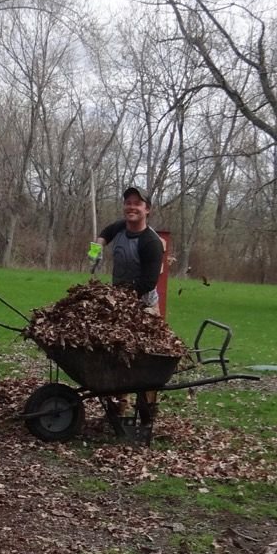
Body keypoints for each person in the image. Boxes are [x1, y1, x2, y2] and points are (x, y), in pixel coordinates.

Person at [88, 186, 165, 440]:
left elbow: (147, 283)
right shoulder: (120, 228)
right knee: (116, 357)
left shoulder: (151, 243)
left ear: (147, 210)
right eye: (128, 203)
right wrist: (96, 251)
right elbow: (104, 234)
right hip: (118, 304)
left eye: (138, 204)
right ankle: (118, 408)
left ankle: (146, 414)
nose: (132, 207)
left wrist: (119, 299)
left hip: (144, 308)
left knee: (145, 362)